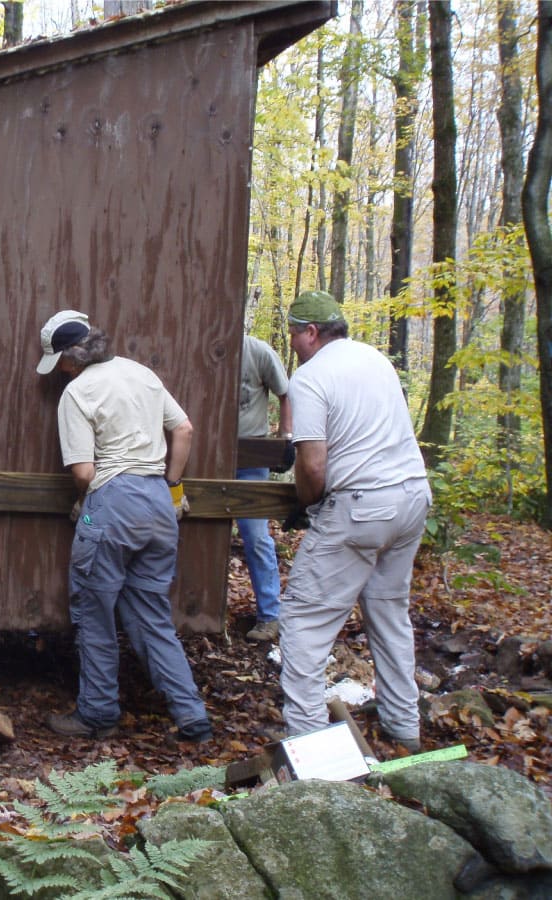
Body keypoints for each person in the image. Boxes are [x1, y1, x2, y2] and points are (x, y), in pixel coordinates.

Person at [36, 310, 212, 742]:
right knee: (152, 616)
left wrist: (88, 505)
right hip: (157, 503)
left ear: (69, 359)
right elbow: (184, 428)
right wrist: (171, 484)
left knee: (94, 614)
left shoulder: (77, 392)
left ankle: (98, 713)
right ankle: (193, 717)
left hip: (112, 505)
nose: (58, 371)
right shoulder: (141, 373)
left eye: (57, 362)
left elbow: (82, 472)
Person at [281, 290, 431, 751]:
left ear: (310, 332)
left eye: (293, 335)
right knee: (388, 612)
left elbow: (312, 466)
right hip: (412, 497)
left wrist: (306, 505)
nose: (291, 345)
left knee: (304, 620)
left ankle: (308, 744)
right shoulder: (375, 360)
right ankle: (404, 728)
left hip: (363, 505)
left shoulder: (310, 378)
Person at [237, 333, 293, 642]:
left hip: (251, 457)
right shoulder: (200, 345)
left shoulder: (257, 351)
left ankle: (270, 616)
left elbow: (286, 393)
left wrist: (286, 437)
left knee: (255, 535)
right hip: (206, 456)